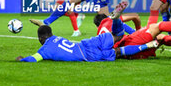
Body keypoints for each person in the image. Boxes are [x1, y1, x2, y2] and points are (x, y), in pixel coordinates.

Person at [97, 2, 171, 60]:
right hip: (129, 44)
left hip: (128, 54)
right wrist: (139, 29)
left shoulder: (99, 35)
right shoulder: (109, 21)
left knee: (158, 38)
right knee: (156, 27)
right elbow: (135, 16)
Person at [16, 25, 159, 62]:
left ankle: (147, 45)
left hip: (88, 54)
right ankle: (116, 21)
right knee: (116, 36)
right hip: (87, 43)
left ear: (41, 39)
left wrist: (22, 59)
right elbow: (46, 31)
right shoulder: (56, 37)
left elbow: (33, 59)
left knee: (119, 52)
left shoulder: (44, 50)